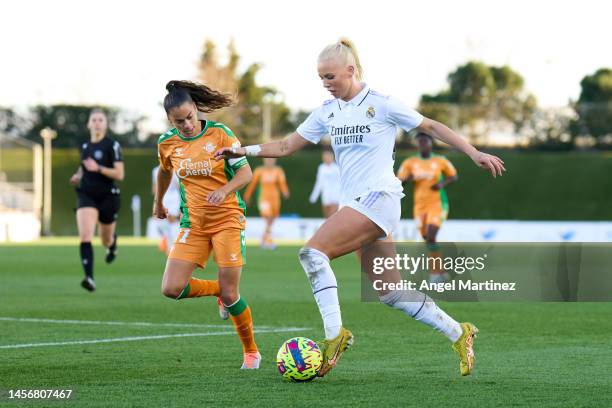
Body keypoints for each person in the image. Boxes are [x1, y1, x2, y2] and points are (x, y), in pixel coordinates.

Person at [215, 38, 505, 377]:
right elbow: (284, 145)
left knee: (312, 254)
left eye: (331, 76)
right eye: (321, 77)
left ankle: (334, 336)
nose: (326, 84)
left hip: (380, 198)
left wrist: (475, 153)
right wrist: (242, 150)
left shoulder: (381, 103)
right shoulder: (327, 111)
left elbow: (431, 126)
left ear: (350, 71)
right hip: (358, 204)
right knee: (391, 292)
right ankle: (459, 332)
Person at [154, 80, 260, 369]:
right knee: (171, 288)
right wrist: (158, 202)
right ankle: (217, 292)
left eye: (189, 117)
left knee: (232, 293)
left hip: (227, 219)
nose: (187, 124)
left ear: (197, 109)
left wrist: (224, 191)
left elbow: (246, 174)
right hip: (194, 223)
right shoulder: (167, 143)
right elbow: (165, 172)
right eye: (179, 121)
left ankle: (251, 351)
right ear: (170, 120)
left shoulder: (221, 134)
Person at [69, 108, 124, 292]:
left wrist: (99, 168)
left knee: (105, 239)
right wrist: (78, 176)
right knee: (85, 235)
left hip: (108, 196)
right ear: (89, 124)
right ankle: (89, 278)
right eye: (94, 120)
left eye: (101, 119)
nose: (97, 123)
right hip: (87, 195)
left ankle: (112, 244)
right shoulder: (85, 147)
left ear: (106, 124)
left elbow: (120, 173)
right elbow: (84, 167)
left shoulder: (112, 145)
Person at [397, 132, 458, 283]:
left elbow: (453, 176)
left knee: (431, 236)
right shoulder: (410, 162)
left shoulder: (440, 161)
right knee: (427, 240)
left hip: (437, 204)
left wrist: (442, 184)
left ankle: (435, 274)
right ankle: (441, 271)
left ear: (430, 143)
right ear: (417, 144)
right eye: (420, 141)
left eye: (425, 141)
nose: (422, 144)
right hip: (420, 207)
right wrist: (408, 179)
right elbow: (399, 182)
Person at [243, 157, 289, 249]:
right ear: (263, 160)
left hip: (275, 199)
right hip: (263, 198)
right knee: (267, 216)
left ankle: (263, 240)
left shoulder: (278, 171)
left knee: (271, 219)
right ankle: (269, 241)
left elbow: (282, 183)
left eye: (271, 159)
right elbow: (252, 185)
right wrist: (247, 196)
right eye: (267, 159)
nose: (269, 161)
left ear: (275, 160)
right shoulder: (259, 171)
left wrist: (285, 191)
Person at [152, 164, 181, 255]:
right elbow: (155, 189)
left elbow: (179, 187)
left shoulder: (177, 169)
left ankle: (173, 248)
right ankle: (170, 247)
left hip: (174, 198)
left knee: (173, 222)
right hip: (163, 198)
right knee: (163, 224)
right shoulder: (155, 170)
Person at [309, 149, 341, 218]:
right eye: (324, 156)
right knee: (326, 217)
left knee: (332, 217)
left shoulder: (337, 168)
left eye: (328, 156)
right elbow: (319, 183)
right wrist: (313, 197)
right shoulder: (321, 168)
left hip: (336, 196)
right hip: (325, 196)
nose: (326, 158)